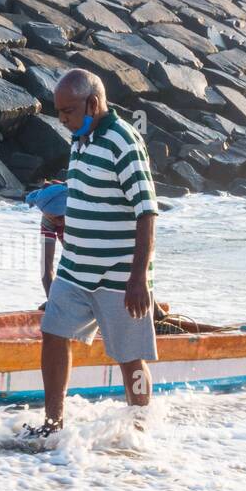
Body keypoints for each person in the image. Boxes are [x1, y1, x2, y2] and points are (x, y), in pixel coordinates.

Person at [25, 69, 158, 439]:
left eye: (68, 111)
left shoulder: (123, 142)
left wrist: (138, 279)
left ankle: (141, 431)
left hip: (118, 276)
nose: (63, 120)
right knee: (53, 333)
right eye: (59, 112)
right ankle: (53, 425)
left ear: (93, 104)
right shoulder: (81, 140)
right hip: (75, 269)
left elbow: (146, 211)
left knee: (129, 357)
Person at [26, 182, 67, 300]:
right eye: (51, 218)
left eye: (60, 217)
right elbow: (46, 263)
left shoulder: (82, 214)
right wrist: (51, 300)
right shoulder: (48, 220)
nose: (57, 222)